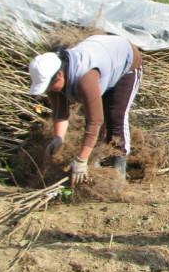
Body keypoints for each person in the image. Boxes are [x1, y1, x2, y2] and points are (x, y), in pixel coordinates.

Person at [28, 35, 143, 186]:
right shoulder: (53, 76)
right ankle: (95, 163)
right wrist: (58, 138)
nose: (48, 90)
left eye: (48, 86)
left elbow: (96, 121)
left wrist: (81, 160)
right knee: (94, 119)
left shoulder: (84, 79)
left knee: (114, 116)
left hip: (125, 62)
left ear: (59, 75)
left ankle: (118, 168)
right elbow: (61, 113)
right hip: (102, 59)